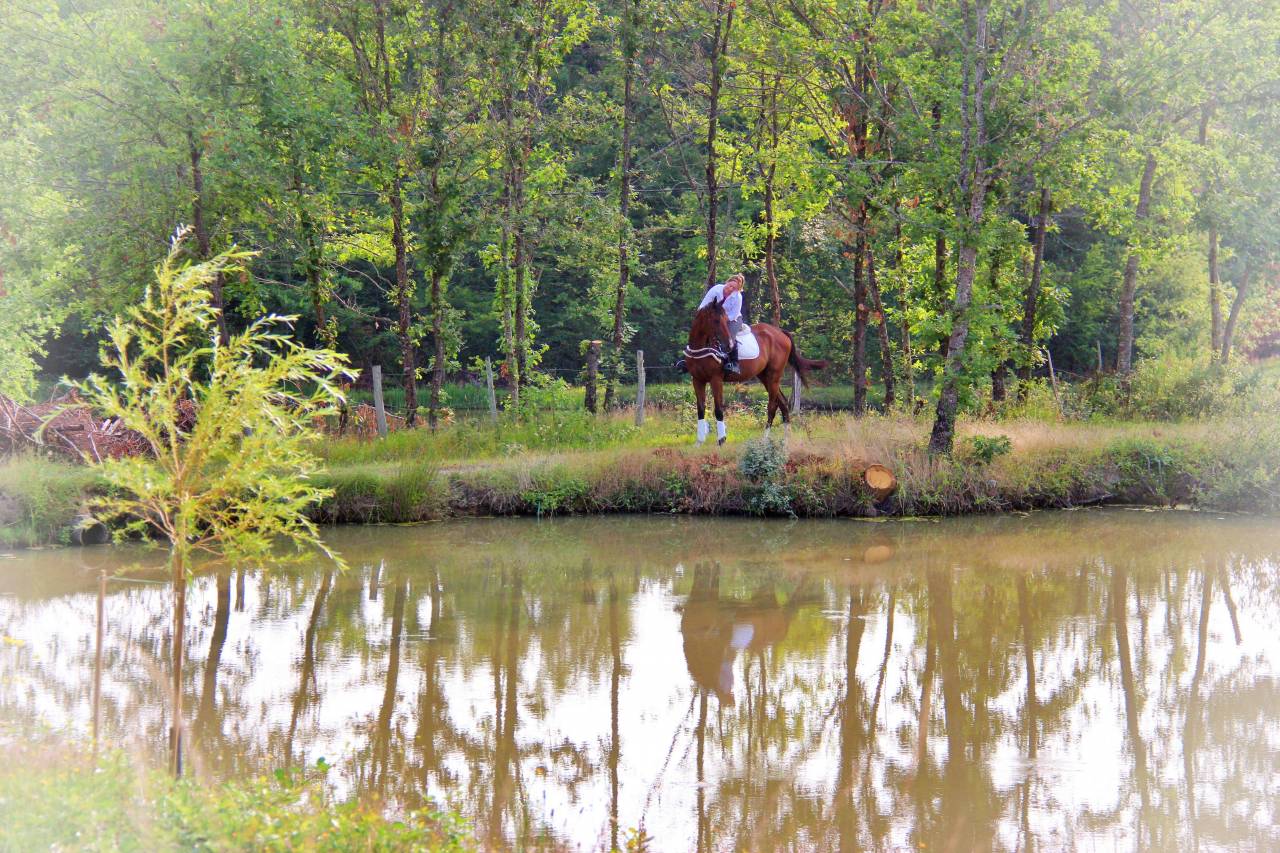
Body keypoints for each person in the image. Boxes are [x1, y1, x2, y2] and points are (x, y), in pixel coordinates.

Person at [676, 272, 747, 375]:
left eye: (734, 288)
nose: (731, 289)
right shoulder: (716, 289)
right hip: (713, 317)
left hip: (732, 319)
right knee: (697, 332)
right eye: (730, 285)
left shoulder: (738, 297)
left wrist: (722, 321)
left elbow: (734, 314)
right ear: (727, 282)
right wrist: (703, 318)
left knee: (729, 336)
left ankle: (734, 364)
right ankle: (685, 360)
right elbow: (703, 306)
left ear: (737, 290)